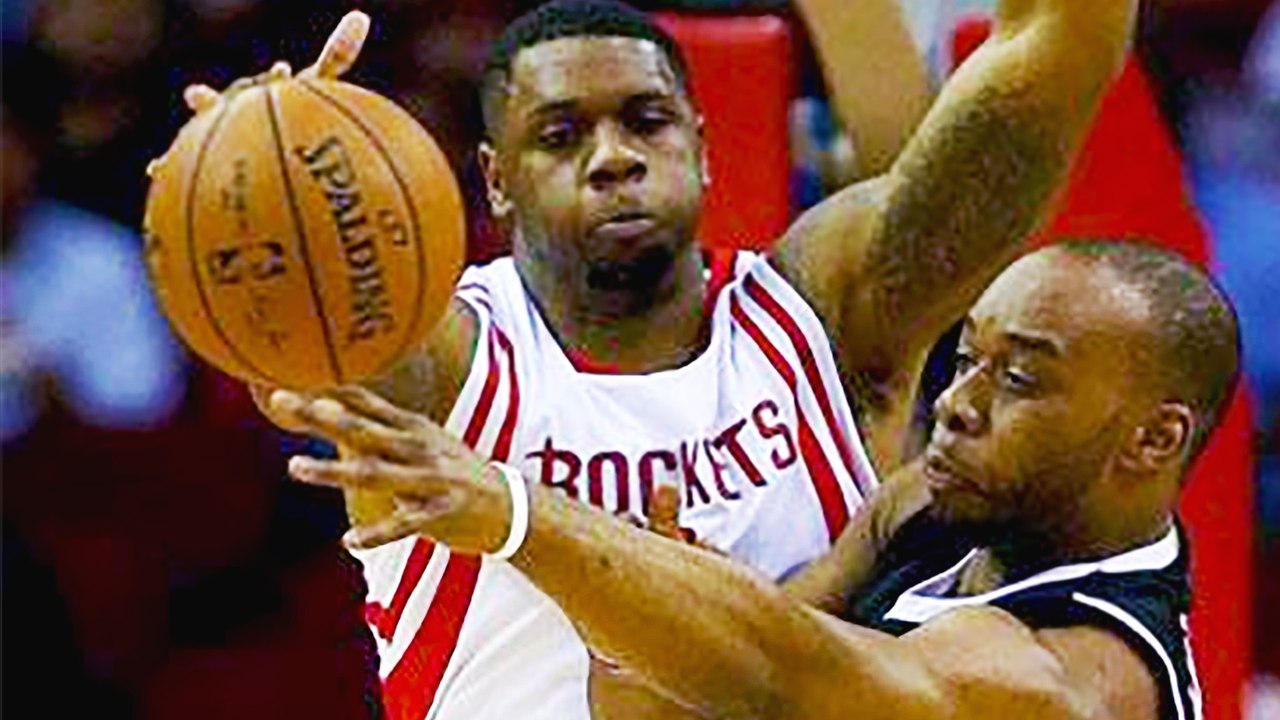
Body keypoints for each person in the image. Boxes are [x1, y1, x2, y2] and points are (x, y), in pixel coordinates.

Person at [180, 0, 1136, 715]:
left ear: (704, 146)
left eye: (645, 120)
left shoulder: (831, 321)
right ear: (496, 182)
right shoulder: (449, 359)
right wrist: (258, 182)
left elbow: (1052, 53)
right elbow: (322, 336)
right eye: (560, 136)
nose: (613, 157)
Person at [279, 239, 1237, 720]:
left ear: (1152, 441)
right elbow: (707, 695)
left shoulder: (1066, 678)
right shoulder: (943, 503)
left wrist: (517, 515)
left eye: (1019, 378)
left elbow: (783, 677)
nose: (955, 402)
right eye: (967, 355)